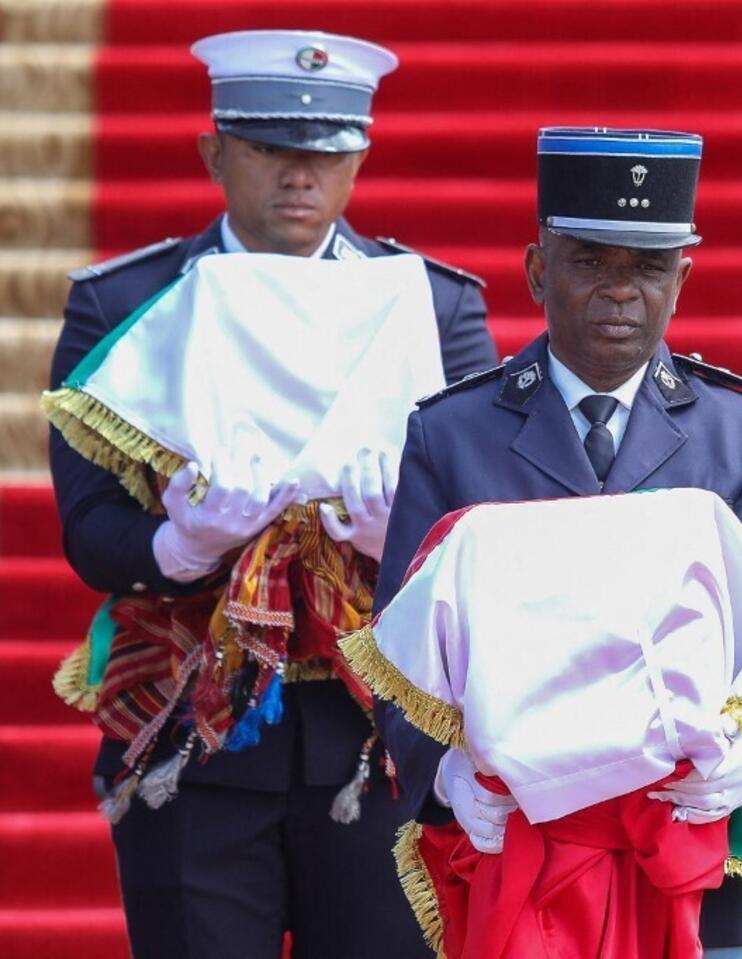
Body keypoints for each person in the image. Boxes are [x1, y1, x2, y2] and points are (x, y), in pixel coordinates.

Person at [47, 30, 495, 959]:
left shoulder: (434, 304)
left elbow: (487, 517)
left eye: (327, 152)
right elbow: (90, 527)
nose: (301, 174)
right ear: (214, 154)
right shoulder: (126, 301)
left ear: (360, 158)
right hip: (188, 733)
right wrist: (179, 546)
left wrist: (402, 536)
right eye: (267, 148)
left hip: (376, 737)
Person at [373, 126, 742, 957]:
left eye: (647, 268)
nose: (620, 291)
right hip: (516, 858)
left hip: (690, 859)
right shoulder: (453, 434)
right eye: (589, 263)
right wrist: (444, 774)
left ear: (681, 281)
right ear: (538, 270)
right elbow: (397, 650)